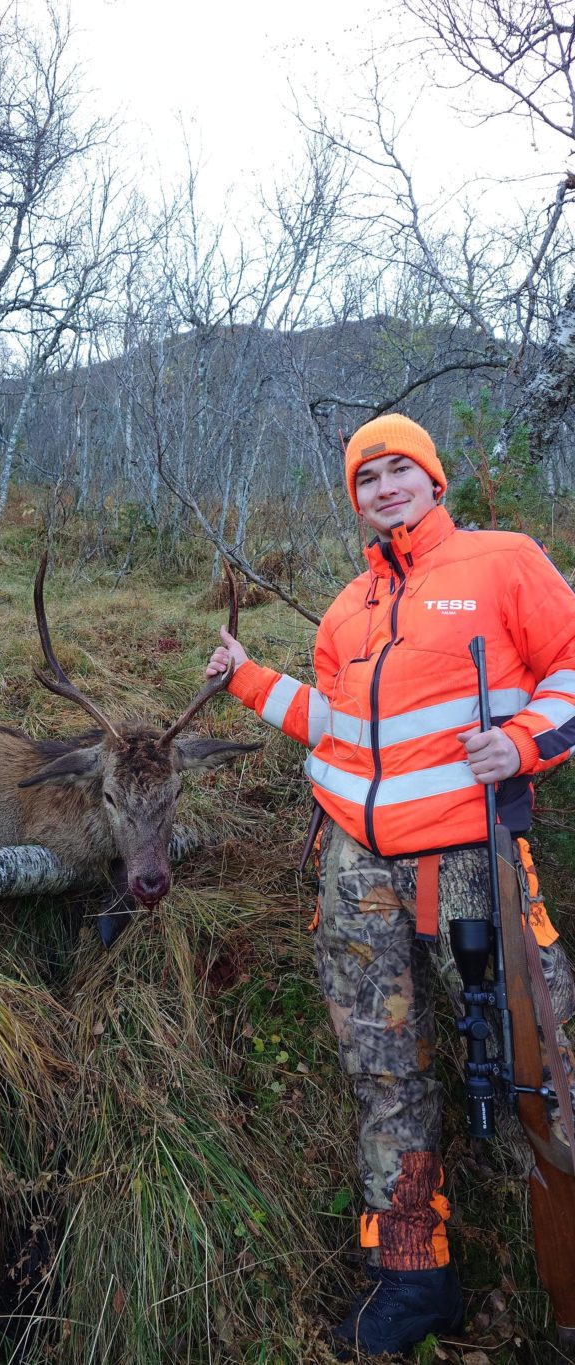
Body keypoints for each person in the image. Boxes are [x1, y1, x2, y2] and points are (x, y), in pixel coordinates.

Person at [206, 413, 575, 1358]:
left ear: (434, 478)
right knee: (383, 1072)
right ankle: (414, 1277)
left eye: (398, 468)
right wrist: (249, 680)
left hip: (471, 857)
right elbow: (334, 722)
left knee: (550, 1060)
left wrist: (527, 742)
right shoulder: (346, 609)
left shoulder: (503, 562)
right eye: (365, 477)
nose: (382, 486)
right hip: (358, 869)